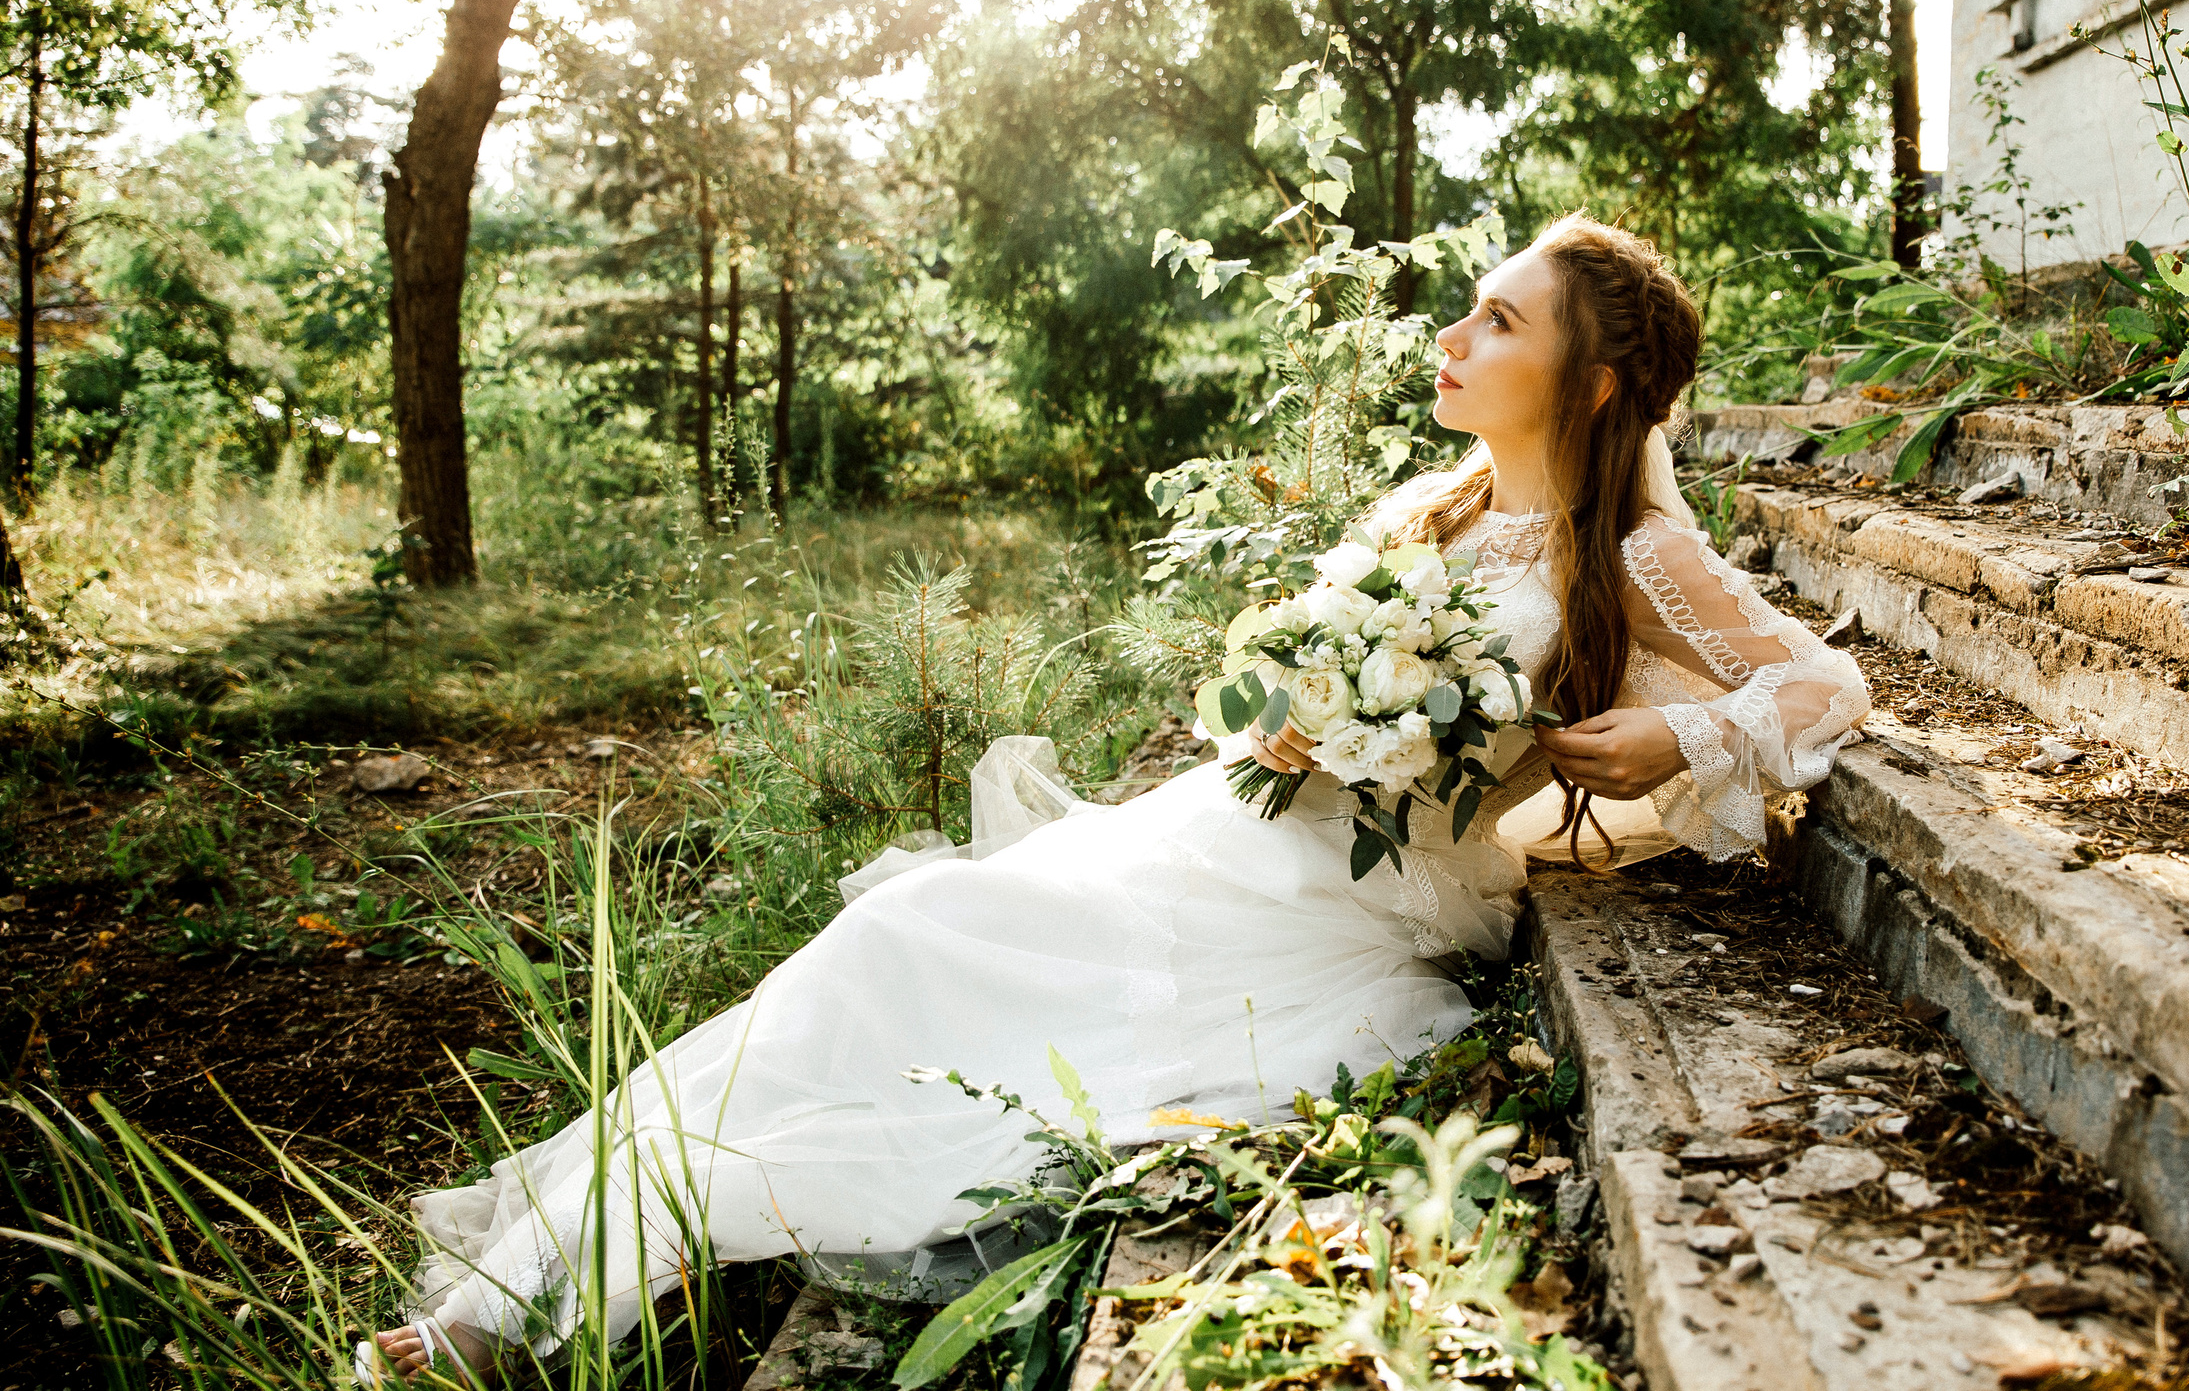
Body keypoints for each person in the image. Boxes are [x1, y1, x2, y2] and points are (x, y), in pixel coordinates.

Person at [360, 213, 1868, 1384]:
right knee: (911, 933)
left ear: (1593, 382)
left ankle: (577, 1283)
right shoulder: (1430, 509)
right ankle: (535, 1293)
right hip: (1208, 842)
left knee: (924, 962)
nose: (1456, 334)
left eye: (1499, 319)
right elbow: (1237, 699)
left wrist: (1684, 744)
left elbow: (1822, 686)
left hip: (1344, 923)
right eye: (1468, 305)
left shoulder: (1630, 559)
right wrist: (1274, 715)